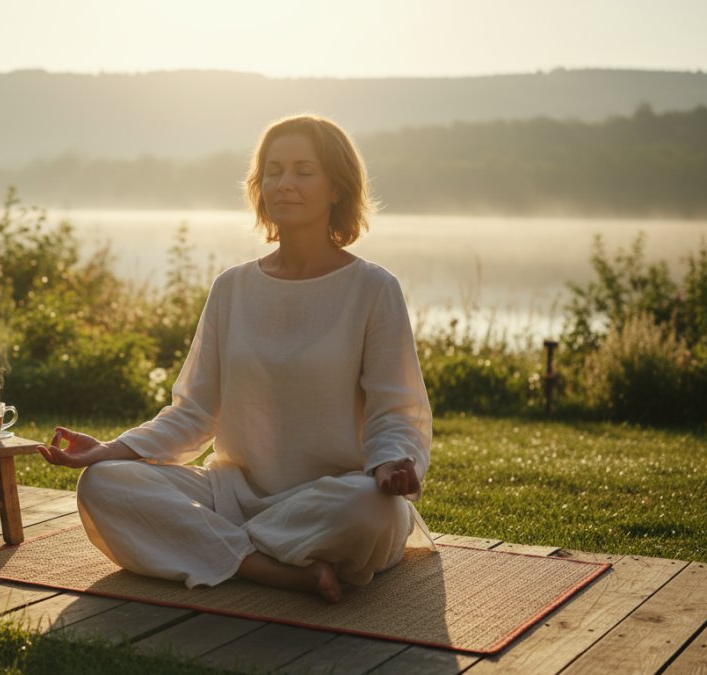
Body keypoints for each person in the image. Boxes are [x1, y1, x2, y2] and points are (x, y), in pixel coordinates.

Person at [36, 114, 433, 603]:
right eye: (273, 171)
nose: (284, 184)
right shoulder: (232, 288)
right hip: (233, 496)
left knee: (372, 512)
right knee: (104, 486)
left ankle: (216, 549)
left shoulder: (373, 289)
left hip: (330, 499)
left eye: (304, 171)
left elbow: (395, 410)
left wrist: (394, 462)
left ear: (336, 187)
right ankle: (269, 566)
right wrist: (111, 450)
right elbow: (195, 411)